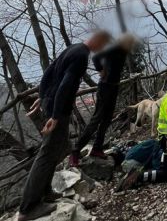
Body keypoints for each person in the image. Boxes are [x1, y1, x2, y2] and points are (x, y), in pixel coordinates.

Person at [19, 31, 110, 221]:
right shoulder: (81, 56)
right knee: (47, 153)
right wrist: (55, 115)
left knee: (56, 149)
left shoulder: (72, 48)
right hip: (57, 109)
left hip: (50, 102)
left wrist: (42, 97)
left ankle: (45, 193)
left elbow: (49, 73)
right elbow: (66, 85)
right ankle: (28, 208)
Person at [69, 33, 135, 167]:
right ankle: (75, 151)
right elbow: (96, 57)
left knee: (107, 119)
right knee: (97, 119)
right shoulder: (113, 48)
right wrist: (100, 70)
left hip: (114, 87)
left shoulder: (123, 51)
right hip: (105, 86)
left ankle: (97, 148)